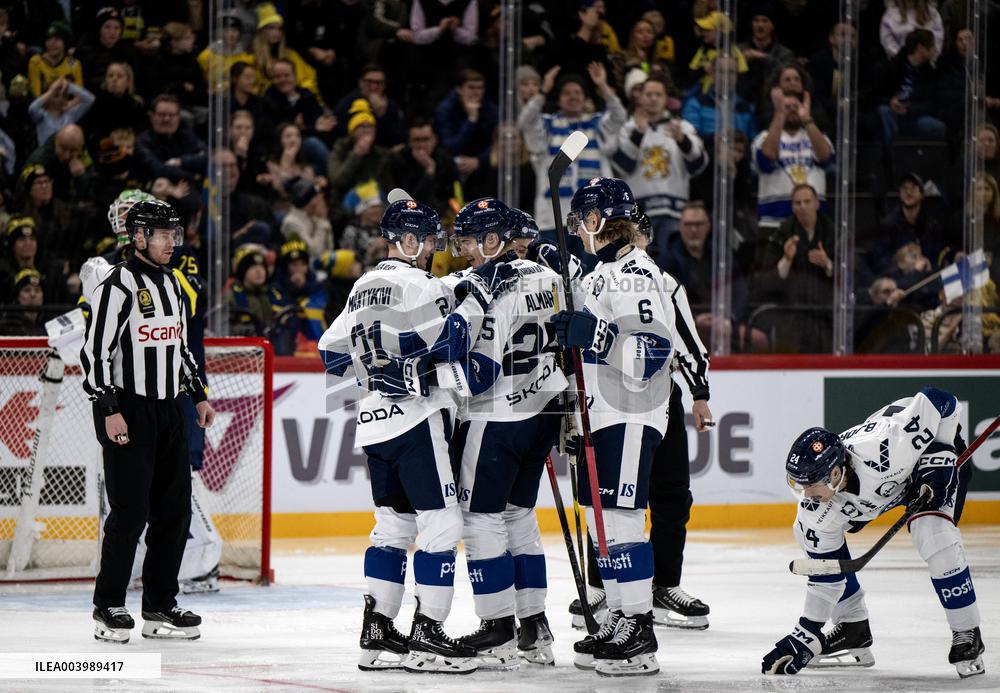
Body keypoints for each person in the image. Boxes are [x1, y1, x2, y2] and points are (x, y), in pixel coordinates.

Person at [318, 191, 509, 674]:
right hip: (417, 422)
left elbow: (330, 352)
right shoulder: (421, 286)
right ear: (405, 240)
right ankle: (428, 636)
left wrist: (378, 379)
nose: (431, 250)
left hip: (373, 425)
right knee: (441, 525)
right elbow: (451, 343)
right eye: (426, 241)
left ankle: (377, 633)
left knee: (392, 528)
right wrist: (475, 302)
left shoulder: (360, 286)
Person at [763, 387, 984, 679]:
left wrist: (939, 455)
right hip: (878, 492)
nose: (806, 494)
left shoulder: (889, 446)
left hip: (925, 464)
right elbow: (826, 577)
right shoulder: (815, 510)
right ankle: (853, 627)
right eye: (798, 485)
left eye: (810, 484)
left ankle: (967, 631)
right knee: (807, 532)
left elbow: (941, 401)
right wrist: (807, 632)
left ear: (834, 473)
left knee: (933, 532)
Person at [569, 210, 714, 632]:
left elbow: (682, 343)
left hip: (649, 396)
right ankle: (607, 590)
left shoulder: (655, 280)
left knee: (666, 494)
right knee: (599, 499)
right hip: (601, 401)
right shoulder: (593, 279)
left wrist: (699, 394)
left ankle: (660, 586)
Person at [551, 177, 673, 676]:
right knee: (606, 525)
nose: (578, 230)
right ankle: (622, 616)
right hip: (605, 414)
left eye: (582, 221)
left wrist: (593, 335)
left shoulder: (636, 273)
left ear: (599, 220)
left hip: (631, 412)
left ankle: (639, 631)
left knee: (622, 521)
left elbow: (651, 355)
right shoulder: (603, 274)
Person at [81, 199, 215, 643]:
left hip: (169, 411)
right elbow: (95, 354)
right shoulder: (116, 286)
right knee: (129, 513)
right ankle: (108, 607)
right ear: (138, 237)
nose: (171, 243)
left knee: (173, 512)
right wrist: (109, 409)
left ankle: (160, 606)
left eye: (174, 235)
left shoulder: (174, 285)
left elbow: (178, 348)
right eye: (162, 235)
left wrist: (197, 396)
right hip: (129, 410)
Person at [443, 198, 567, 668]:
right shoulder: (550, 278)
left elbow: (480, 373)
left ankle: (496, 627)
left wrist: (434, 372)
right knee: (519, 516)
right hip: (543, 414)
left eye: (472, 241)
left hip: (496, 419)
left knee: (480, 519)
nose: (466, 252)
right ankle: (534, 626)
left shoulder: (491, 288)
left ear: (493, 240)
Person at [612, 76, 708, 265]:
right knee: (638, 268)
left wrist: (682, 140)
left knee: (671, 270)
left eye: (658, 94)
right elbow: (621, 166)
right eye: (649, 94)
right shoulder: (628, 128)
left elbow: (699, 165)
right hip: (638, 216)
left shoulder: (682, 127)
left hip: (674, 213)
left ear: (666, 99)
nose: (653, 98)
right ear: (640, 98)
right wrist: (639, 133)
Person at [518, 63, 626, 232]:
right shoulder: (548, 125)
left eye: (577, 93)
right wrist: (543, 91)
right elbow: (525, 121)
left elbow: (619, 116)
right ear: (559, 99)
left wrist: (602, 85)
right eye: (567, 93)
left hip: (593, 218)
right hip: (553, 218)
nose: (573, 97)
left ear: (585, 98)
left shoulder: (597, 124)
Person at [753, 84, 835, 230]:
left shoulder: (816, 136)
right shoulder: (763, 137)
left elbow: (825, 158)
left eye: (795, 106)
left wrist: (807, 119)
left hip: (813, 223)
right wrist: (779, 114)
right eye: (786, 106)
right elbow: (766, 159)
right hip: (774, 221)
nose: (791, 110)